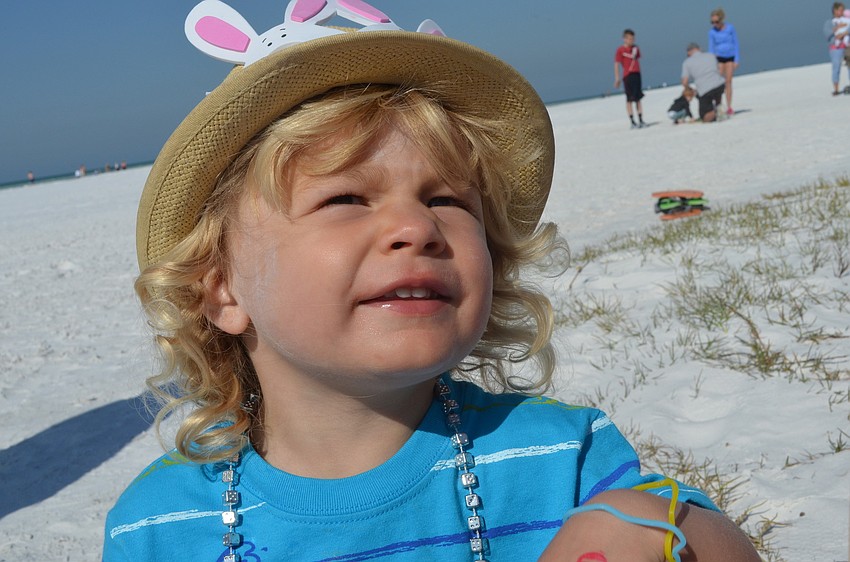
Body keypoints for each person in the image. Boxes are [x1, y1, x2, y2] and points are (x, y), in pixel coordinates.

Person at [104, 1, 761, 560]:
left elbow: (707, 535)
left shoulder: (559, 459)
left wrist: (637, 528)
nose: (416, 227)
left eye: (448, 200)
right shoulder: (158, 526)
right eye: (346, 200)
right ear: (223, 291)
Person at [682, 43, 726, 123]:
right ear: (699, 49)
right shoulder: (711, 55)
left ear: (689, 52)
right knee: (717, 92)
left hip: (705, 90)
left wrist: (689, 89)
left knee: (705, 117)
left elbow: (684, 81)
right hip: (720, 84)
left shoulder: (687, 62)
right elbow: (721, 68)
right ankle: (719, 106)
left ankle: (715, 112)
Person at [707, 8, 739, 115]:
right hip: (719, 58)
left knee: (728, 82)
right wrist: (712, 62)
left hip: (730, 57)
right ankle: (718, 106)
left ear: (721, 20)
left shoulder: (730, 28)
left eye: (716, 22)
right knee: (718, 83)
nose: (715, 24)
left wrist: (736, 59)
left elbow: (736, 43)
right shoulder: (712, 32)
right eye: (712, 22)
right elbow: (711, 48)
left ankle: (729, 106)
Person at [613, 28, 646, 129]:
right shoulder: (620, 50)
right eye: (630, 39)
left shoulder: (636, 48)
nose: (632, 41)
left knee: (638, 98)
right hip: (627, 75)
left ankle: (641, 120)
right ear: (625, 39)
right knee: (629, 99)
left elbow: (638, 58)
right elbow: (616, 64)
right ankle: (632, 121)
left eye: (633, 39)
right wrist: (617, 78)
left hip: (637, 73)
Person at [825, 2, 850, 95]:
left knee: (849, 65)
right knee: (836, 66)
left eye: (843, 10)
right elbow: (827, 34)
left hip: (847, 46)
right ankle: (836, 89)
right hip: (836, 47)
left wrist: (845, 33)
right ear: (835, 11)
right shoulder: (829, 22)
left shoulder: (846, 20)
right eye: (840, 10)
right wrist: (837, 28)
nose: (842, 11)